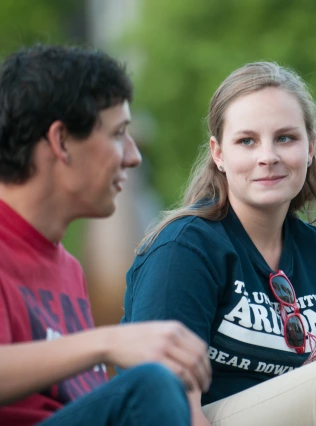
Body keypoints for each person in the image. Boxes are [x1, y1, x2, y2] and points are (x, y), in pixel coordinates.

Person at [121, 61, 316, 426]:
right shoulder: (185, 250)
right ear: (219, 154)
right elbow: (166, 408)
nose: (268, 156)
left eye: (285, 138)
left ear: (310, 148)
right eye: (247, 141)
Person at [0, 44, 212, 426]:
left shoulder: (68, 269)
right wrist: (108, 343)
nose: (133, 156)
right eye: (118, 134)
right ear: (61, 141)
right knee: (150, 386)